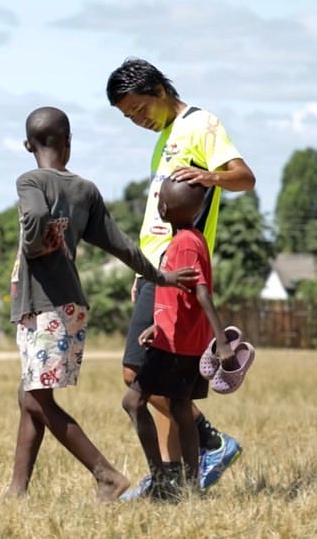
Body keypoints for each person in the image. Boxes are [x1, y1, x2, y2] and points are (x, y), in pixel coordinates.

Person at [6, 106, 197, 502]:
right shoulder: (84, 190)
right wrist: (160, 275)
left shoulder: (30, 180)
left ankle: (106, 475)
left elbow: (37, 215)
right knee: (31, 397)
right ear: (69, 142)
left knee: (37, 398)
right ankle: (16, 491)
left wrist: (33, 241)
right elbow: (121, 243)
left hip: (45, 304)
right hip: (67, 305)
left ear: (28, 145)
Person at [106, 57, 256, 493]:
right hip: (155, 270)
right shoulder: (165, 138)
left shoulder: (202, 124)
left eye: (139, 109)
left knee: (137, 378)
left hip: (178, 271)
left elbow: (244, 178)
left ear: (159, 90)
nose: (138, 121)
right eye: (128, 117)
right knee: (165, 385)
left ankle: (208, 444)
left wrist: (209, 176)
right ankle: (173, 479)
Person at [122, 179, 235, 500]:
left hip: (174, 346)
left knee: (132, 401)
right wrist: (157, 325)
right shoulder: (193, 239)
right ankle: (190, 488)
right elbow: (181, 299)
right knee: (181, 408)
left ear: (162, 209)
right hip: (176, 339)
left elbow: (200, 292)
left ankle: (161, 480)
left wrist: (222, 340)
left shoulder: (183, 244)